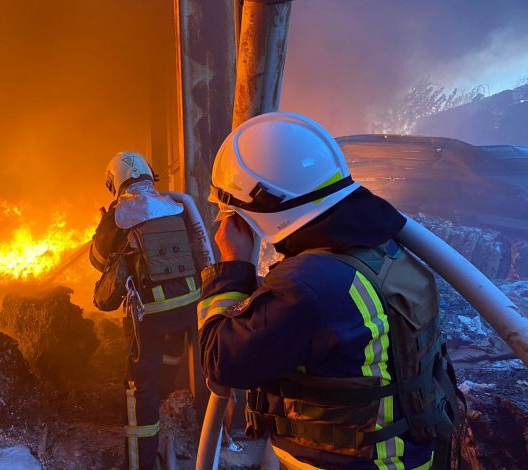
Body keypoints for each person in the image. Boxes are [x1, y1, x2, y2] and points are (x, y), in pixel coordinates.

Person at [198, 112, 462, 469]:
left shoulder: (308, 285)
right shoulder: (378, 243)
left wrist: (234, 265)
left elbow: (221, 362)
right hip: (406, 457)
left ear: (256, 209)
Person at [90, 151, 203, 470]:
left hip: (151, 313)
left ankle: (140, 462)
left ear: (115, 182)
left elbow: (99, 261)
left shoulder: (119, 216)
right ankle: (169, 391)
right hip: (190, 304)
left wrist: (104, 223)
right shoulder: (176, 205)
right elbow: (198, 249)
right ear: (148, 175)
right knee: (170, 350)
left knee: (138, 387)